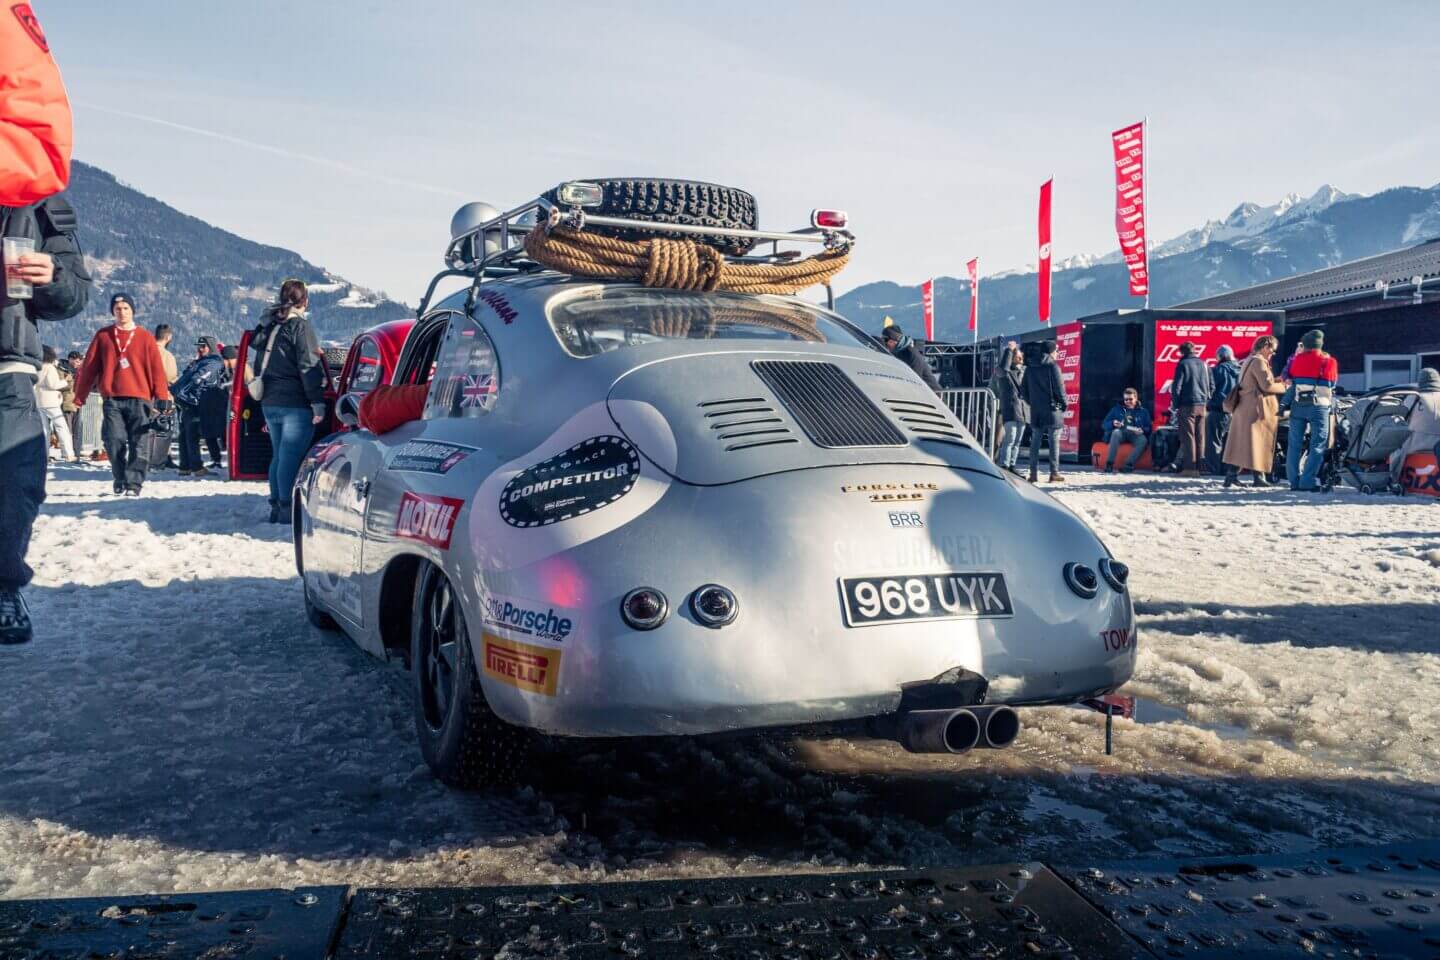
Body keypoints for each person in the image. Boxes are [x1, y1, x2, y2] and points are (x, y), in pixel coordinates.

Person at [0, 0, 86, 645]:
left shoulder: (37, 189)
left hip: (7, 360)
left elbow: (73, 292)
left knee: (16, 482)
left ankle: (3, 587)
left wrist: (48, 274)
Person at [73, 293, 173, 496]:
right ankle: (120, 476)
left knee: (139, 442)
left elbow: (157, 370)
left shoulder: (145, 337)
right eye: (117, 308)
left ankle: (134, 483)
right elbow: (89, 367)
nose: (122, 312)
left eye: (126, 308)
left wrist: (162, 398)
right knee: (113, 440)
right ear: (112, 311)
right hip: (112, 398)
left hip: (140, 398)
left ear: (132, 311)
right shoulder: (103, 336)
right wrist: (79, 396)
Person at [251, 279, 325, 523]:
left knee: (279, 456)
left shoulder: (270, 326)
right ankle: (286, 509)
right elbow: (307, 366)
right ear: (305, 301)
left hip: (269, 401)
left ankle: (275, 506)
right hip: (295, 402)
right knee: (291, 457)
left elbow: (259, 361)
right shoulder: (299, 327)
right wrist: (317, 401)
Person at [1222, 334, 1286, 488]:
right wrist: (1284, 386)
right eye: (1272, 350)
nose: (1273, 353)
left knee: (1244, 444)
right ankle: (1258, 478)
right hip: (1256, 409)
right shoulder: (1258, 362)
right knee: (1259, 442)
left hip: (1246, 407)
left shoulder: (1249, 360)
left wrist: (1275, 380)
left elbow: (1257, 382)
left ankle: (1232, 476)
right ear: (1265, 347)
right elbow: (1267, 386)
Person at [1285, 329, 1339, 492]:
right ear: (1320, 344)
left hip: (1298, 405)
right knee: (1317, 444)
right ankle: (1307, 481)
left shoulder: (1297, 360)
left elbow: (1291, 377)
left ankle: (1294, 481)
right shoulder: (1329, 362)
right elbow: (1331, 384)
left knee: (1294, 444)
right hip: (1319, 407)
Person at [173, 336, 227, 475]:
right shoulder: (214, 362)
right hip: (194, 401)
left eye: (203, 346)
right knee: (192, 433)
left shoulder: (201, 362)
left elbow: (188, 376)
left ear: (211, 346)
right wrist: (194, 396)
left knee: (185, 432)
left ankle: (185, 467)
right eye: (199, 346)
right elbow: (198, 378)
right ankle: (196, 467)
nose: (200, 349)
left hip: (182, 399)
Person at [1021, 340, 1066, 483]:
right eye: (1056, 350)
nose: (1057, 353)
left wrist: (1033, 403)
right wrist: (1064, 405)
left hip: (1036, 410)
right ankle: (1054, 473)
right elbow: (1060, 389)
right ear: (1051, 351)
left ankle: (1033, 474)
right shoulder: (1053, 366)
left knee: (1035, 442)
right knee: (1054, 441)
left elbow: (1023, 390)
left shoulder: (1029, 367)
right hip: (1052, 409)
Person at [1389, 368, 1440, 484]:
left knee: (1394, 447)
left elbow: (1400, 422)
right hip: (1437, 447)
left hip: (1415, 446)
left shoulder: (1413, 398)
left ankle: (1393, 479)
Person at [1169, 341, 1212, 476]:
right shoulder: (1204, 364)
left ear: (1182, 352)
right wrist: (1205, 400)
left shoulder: (1183, 364)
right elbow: (1212, 386)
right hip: (1202, 405)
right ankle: (1201, 468)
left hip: (1187, 405)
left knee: (1188, 437)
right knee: (1200, 437)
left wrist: (1176, 405)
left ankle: (1190, 469)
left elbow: (1177, 387)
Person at [988, 341, 1028, 473]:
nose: (1021, 359)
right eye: (1018, 356)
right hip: (1010, 409)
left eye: (1021, 356)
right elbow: (1003, 368)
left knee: (1017, 441)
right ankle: (1004, 465)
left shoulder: (1023, 371)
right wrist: (1009, 350)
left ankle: (1012, 465)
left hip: (1023, 411)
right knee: (1009, 439)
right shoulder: (1004, 372)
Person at [34, 345, 74, 461]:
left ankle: (44, 454)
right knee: (62, 427)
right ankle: (68, 453)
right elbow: (53, 384)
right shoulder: (50, 368)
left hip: (39, 401)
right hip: (51, 402)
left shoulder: (37, 367)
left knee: (45, 430)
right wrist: (65, 381)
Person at [1205, 345, 1241, 475]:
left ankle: (1214, 469)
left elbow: (1209, 389)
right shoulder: (1241, 370)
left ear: (1220, 357)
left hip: (1218, 409)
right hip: (1236, 412)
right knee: (1230, 443)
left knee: (1214, 440)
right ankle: (1228, 470)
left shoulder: (1218, 370)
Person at [1100, 388, 1153, 473]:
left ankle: (1128, 465)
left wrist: (1142, 430)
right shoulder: (1116, 409)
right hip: (1121, 432)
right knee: (1116, 432)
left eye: (1130, 399)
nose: (1128, 401)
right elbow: (1104, 424)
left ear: (1136, 398)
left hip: (1135, 433)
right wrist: (1113, 423)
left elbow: (1148, 427)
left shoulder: (1143, 411)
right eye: (1126, 399)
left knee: (1143, 440)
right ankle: (1109, 464)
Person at [880, 324, 942, 392]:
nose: (885, 344)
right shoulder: (896, 352)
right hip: (915, 391)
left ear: (895, 340)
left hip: (931, 394)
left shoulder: (912, 354)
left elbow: (915, 380)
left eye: (885, 340)